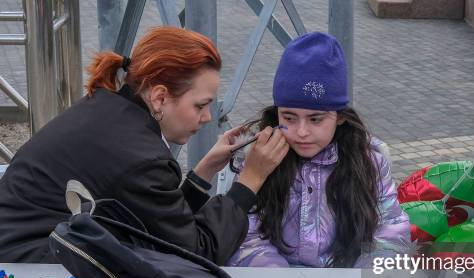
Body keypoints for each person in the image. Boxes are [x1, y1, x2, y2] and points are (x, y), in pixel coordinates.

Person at [0, 26, 288, 264]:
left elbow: (157, 223)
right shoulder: (140, 157)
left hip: (21, 247)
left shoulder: (107, 109)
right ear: (160, 97)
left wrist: (203, 172)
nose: (208, 117)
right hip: (30, 269)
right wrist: (251, 179)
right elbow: (197, 252)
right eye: (200, 105)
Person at [228, 32, 411, 268]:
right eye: (289, 117)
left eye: (315, 119)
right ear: (277, 113)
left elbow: (390, 231)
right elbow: (244, 233)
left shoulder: (369, 160)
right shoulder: (259, 157)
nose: (301, 132)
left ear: (340, 117)